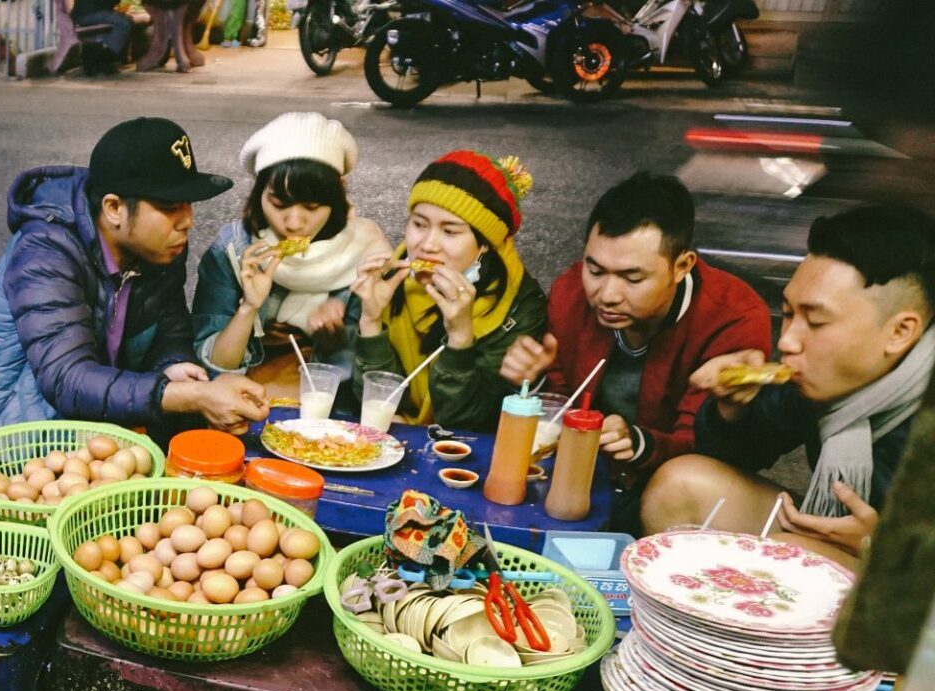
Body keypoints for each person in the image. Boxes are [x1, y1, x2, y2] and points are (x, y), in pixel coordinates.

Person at [641, 204, 934, 569]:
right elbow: (739, 456)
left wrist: (886, 547)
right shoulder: (819, 379)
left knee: (781, 559)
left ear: (900, 332)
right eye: (790, 314)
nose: (788, 342)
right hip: (844, 540)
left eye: (816, 321)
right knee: (680, 486)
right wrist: (733, 408)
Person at [0, 117, 268, 438]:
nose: (187, 221)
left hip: (107, 406)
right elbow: (67, 379)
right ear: (113, 207)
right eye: (169, 206)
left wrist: (174, 367)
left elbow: (172, 330)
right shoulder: (45, 251)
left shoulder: (159, 245)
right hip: (18, 422)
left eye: (189, 204)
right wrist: (189, 396)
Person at [499, 172, 771, 526]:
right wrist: (531, 383)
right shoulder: (571, 294)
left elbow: (709, 448)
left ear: (682, 266)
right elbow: (562, 401)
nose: (607, 294)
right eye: (595, 270)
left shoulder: (732, 317)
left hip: (673, 501)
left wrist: (640, 443)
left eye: (632, 278)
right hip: (578, 484)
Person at [350, 151, 548, 433]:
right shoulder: (385, 281)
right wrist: (370, 321)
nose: (428, 244)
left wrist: (460, 337)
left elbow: (465, 422)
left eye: (450, 231)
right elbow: (376, 401)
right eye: (419, 224)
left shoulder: (515, 309)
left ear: (485, 244)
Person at [191, 113, 389, 388]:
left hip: (329, 402)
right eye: (279, 203)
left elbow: (372, 378)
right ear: (259, 192)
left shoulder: (366, 252)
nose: (294, 223)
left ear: (338, 194)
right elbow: (214, 368)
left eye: (311, 207)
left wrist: (337, 336)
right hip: (246, 393)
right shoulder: (234, 250)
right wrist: (248, 308)